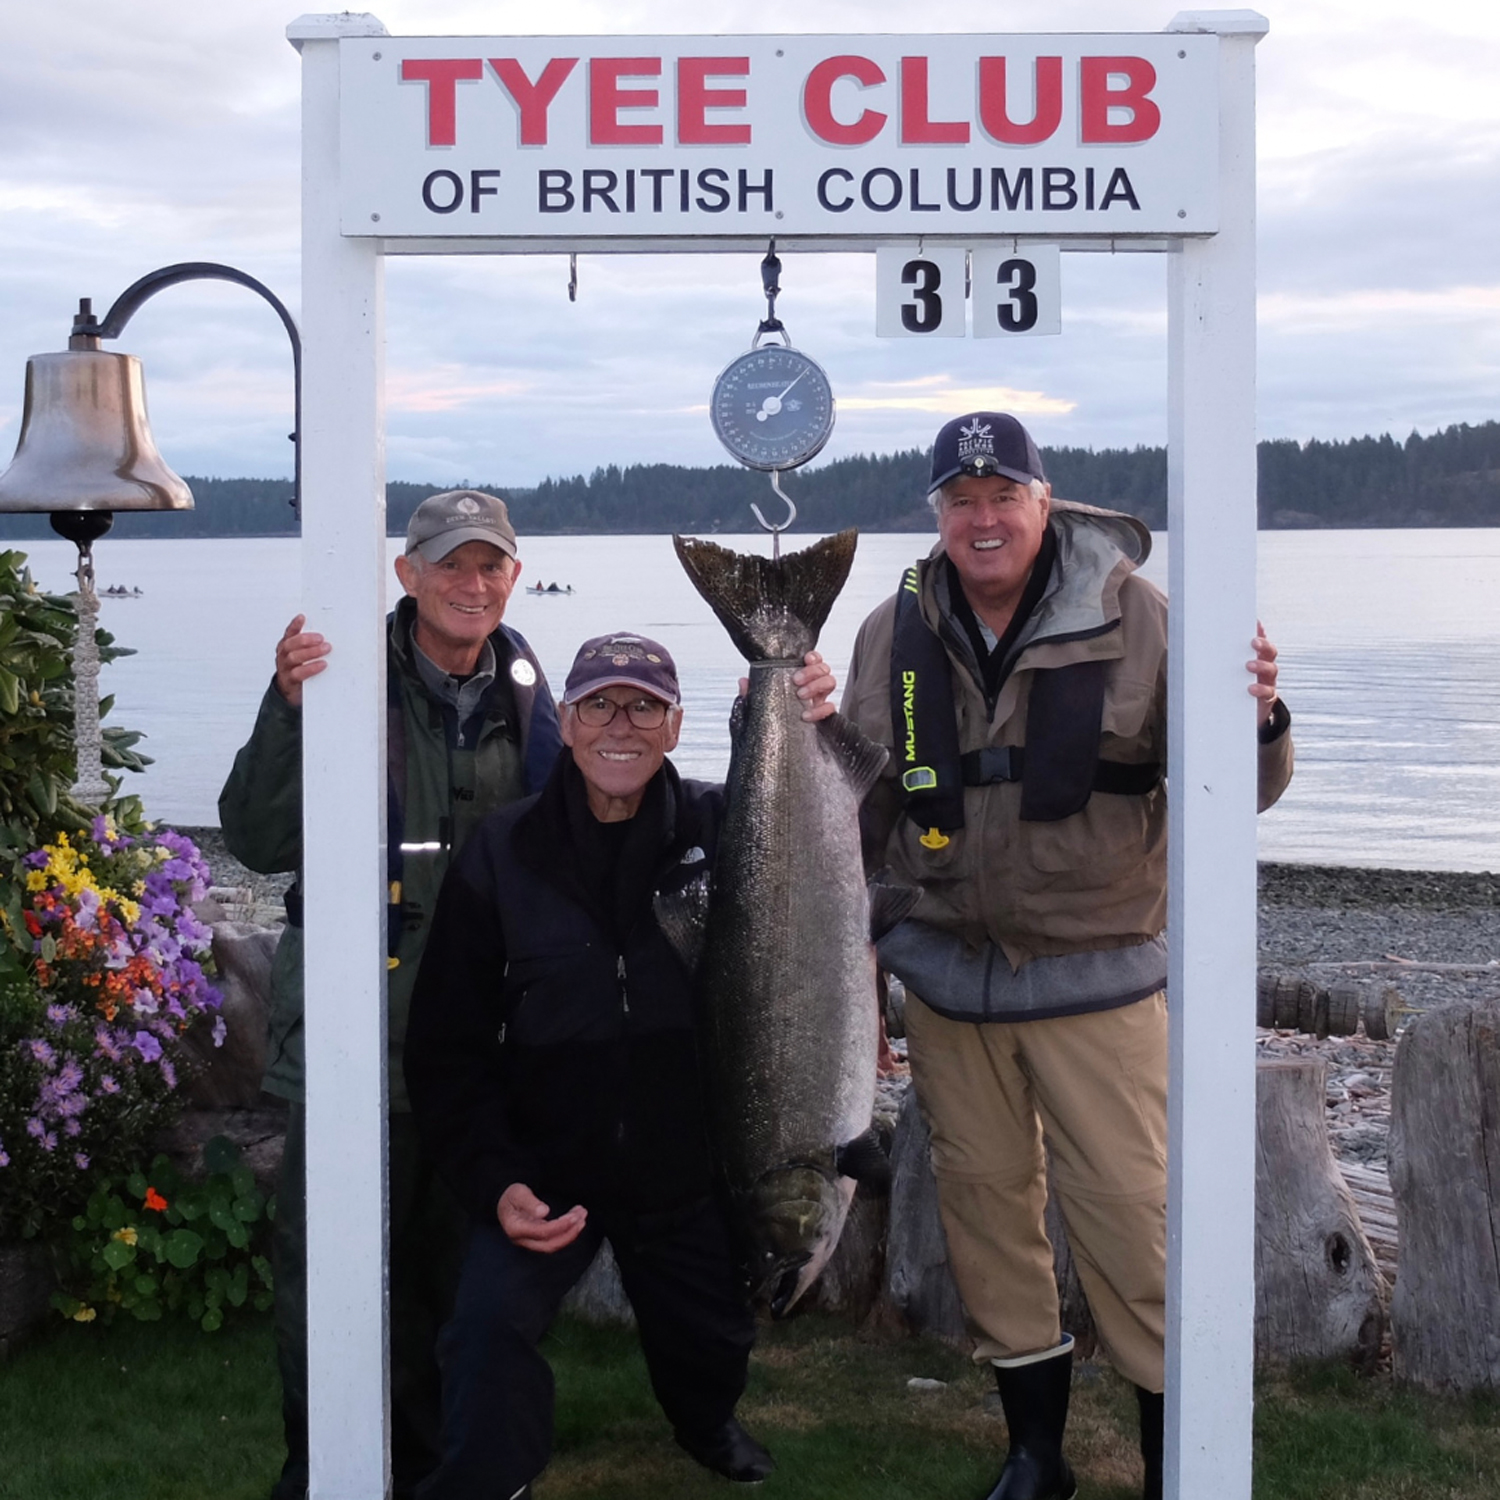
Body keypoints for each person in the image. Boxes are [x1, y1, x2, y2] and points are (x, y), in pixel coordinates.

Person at [841, 413, 1293, 1500]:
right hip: (947, 978)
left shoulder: (1147, 619)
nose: (982, 519)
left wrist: (1265, 716)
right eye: (960, 501)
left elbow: (1249, 792)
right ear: (937, 516)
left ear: (1047, 503)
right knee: (988, 1217)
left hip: (1098, 975)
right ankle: (1036, 1454)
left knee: (1134, 1223)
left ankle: (1167, 1454)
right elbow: (853, 799)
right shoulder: (885, 631)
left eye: (1003, 498)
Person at [403, 631, 836, 1499]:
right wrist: (496, 1183)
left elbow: (853, 836)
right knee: (484, 1327)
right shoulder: (503, 849)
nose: (620, 725)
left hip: (687, 1170)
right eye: (598, 703)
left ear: (677, 727)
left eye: (644, 706)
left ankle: (706, 1422)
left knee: (713, 1339)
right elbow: (446, 1047)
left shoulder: (726, 828)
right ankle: (493, 1478)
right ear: (565, 723)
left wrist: (815, 722)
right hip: (549, 1165)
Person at [219, 490, 564, 1500]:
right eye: (450, 563)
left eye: (490, 564)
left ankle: (459, 1473)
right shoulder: (333, 678)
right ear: (406, 575)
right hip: (346, 1048)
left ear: (514, 573)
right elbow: (254, 837)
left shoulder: (536, 698)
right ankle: (323, 1468)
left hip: (478, 1061)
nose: (472, 582)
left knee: (470, 1292)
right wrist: (285, 711)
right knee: (327, 1292)